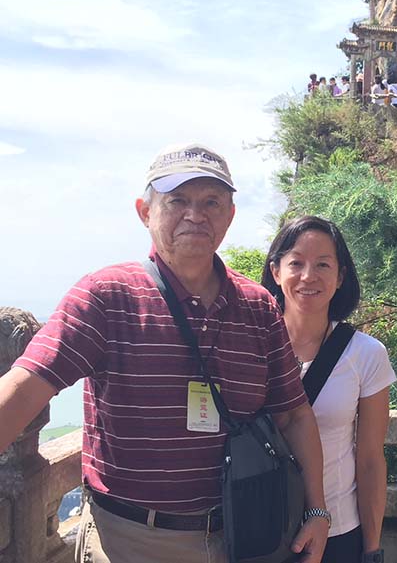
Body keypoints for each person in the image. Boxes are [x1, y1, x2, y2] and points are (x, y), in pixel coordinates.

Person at [0, 144, 330, 563]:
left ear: (229, 215)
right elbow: (26, 386)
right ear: (145, 211)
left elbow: (294, 413)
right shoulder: (105, 297)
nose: (196, 214)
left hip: (245, 536)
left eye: (212, 202)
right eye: (177, 201)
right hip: (132, 540)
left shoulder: (257, 306)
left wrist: (317, 509)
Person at [261, 216, 396, 563]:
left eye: (323, 264)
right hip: (256, 526)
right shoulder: (249, 345)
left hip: (337, 532)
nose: (309, 276)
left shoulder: (366, 354)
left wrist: (371, 550)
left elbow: (369, 461)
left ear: (340, 277)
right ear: (276, 271)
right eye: (296, 263)